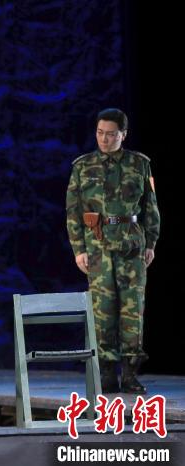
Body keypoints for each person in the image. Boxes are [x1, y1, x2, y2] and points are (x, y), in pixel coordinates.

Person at [66, 108, 160, 394]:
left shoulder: (139, 164)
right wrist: (78, 249)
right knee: (103, 312)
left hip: (131, 246)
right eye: (100, 133)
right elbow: (73, 211)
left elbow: (150, 208)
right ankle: (107, 373)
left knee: (133, 312)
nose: (104, 139)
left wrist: (151, 243)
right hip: (98, 247)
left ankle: (130, 374)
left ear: (123, 134)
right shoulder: (83, 166)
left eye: (110, 134)